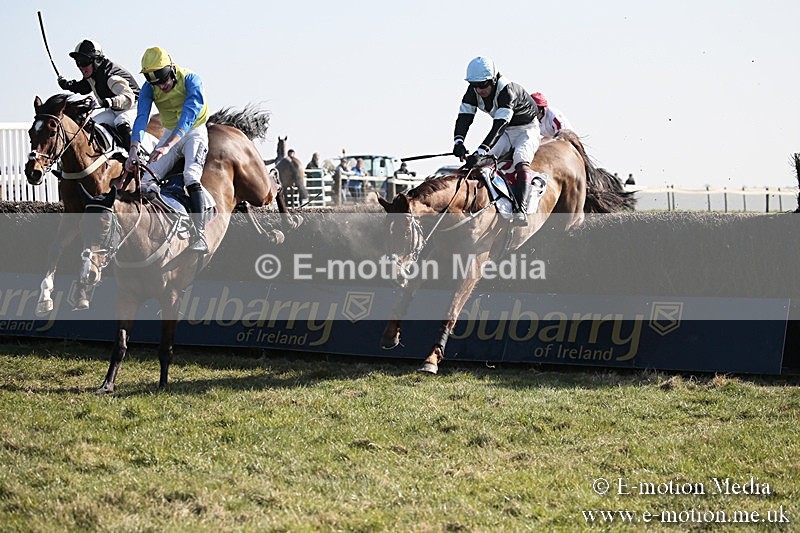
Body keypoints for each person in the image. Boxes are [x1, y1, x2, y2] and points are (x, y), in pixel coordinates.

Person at [125, 47, 210, 253]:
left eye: (163, 80)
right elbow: (141, 117)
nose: (161, 87)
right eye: (156, 83)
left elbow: (188, 118)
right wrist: (134, 149)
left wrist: (166, 146)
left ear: (171, 69)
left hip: (194, 131)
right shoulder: (149, 88)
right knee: (145, 181)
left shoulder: (191, 80)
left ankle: (200, 235)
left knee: (191, 176)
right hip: (170, 132)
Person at [452, 56, 541, 226]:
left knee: (520, 160)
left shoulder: (507, 91)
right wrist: (458, 142)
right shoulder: (473, 91)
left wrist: (479, 151)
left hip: (526, 129)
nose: (478, 90)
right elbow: (464, 118)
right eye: (474, 85)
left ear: (493, 80)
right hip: (506, 131)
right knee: (480, 163)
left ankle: (520, 211)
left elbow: (498, 126)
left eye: (482, 85)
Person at [57, 39, 139, 149]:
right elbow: (84, 87)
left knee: (121, 122)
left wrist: (110, 101)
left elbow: (128, 98)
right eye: (78, 62)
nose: (81, 67)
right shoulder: (94, 73)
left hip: (134, 108)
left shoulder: (111, 77)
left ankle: (134, 159)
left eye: (84, 62)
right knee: (88, 126)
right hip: (113, 110)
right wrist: (68, 85)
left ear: (96, 61)